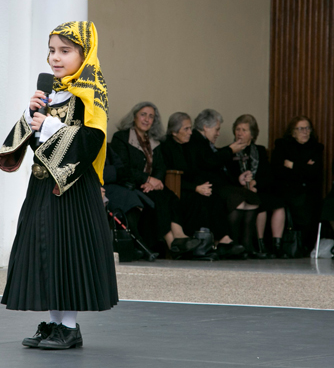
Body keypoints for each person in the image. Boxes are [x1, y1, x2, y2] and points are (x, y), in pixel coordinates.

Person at [0, 21, 118, 350]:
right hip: (42, 184)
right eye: (52, 50)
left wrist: (51, 126)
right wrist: (29, 114)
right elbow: (31, 139)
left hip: (74, 188)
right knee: (45, 250)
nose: (55, 58)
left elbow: (93, 139)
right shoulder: (51, 92)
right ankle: (53, 323)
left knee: (69, 252)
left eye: (65, 51)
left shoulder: (91, 93)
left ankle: (69, 326)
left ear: (85, 54)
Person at [110, 103, 200, 255]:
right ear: (134, 117)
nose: (147, 119)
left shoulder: (154, 141)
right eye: (143, 114)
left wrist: (154, 181)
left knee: (170, 196)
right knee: (159, 200)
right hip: (131, 185)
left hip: (149, 186)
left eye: (151, 116)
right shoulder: (121, 138)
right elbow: (123, 168)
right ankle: (172, 243)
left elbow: (160, 167)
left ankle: (180, 235)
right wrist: (147, 179)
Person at [159, 112, 245, 257]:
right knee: (199, 200)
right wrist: (196, 188)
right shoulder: (167, 147)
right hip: (177, 188)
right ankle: (201, 245)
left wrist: (201, 186)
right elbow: (170, 177)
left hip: (190, 186)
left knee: (213, 197)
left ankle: (219, 241)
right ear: (174, 132)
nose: (190, 132)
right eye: (186, 129)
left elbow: (197, 171)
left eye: (190, 128)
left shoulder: (187, 145)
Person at [190, 109, 257, 257]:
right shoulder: (195, 140)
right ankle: (227, 241)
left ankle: (244, 244)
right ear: (206, 127)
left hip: (214, 184)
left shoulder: (204, 142)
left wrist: (238, 179)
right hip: (202, 185)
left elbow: (216, 168)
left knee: (250, 197)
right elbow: (208, 162)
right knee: (234, 196)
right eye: (217, 129)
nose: (218, 133)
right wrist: (230, 150)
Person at [226, 114, 286, 259]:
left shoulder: (259, 151)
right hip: (239, 191)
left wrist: (254, 183)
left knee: (278, 204)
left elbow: (267, 175)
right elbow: (227, 177)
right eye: (238, 129)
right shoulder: (228, 151)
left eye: (244, 130)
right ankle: (258, 245)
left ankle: (276, 246)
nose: (240, 133)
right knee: (258, 204)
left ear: (252, 134)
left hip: (257, 189)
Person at [272, 116, 324, 256]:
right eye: (301, 129)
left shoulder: (316, 148)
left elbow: (314, 172)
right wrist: (303, 167)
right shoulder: (282, 145)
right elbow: (278, 171)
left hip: (309, 190)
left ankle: (305, 246)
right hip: (287, 187)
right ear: (293, 132)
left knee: (309, 204)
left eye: (307, 128)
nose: (305, 132)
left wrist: (293, 165)